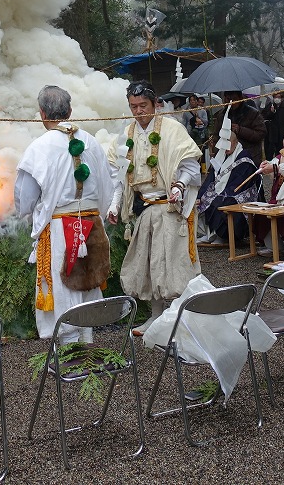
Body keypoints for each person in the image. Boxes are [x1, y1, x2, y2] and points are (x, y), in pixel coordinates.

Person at [15, 86, 115, 343]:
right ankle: (87, 343)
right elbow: (107, 186)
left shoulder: (39, 147)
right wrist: (95, 215)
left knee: (63, 288)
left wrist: (30, 214)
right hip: (92, 223)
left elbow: (25, 197)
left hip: (60, 227)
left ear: (41, 114)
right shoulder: (91, 141)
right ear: (70, 111)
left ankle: (68, 350)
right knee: (86, 282)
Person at [107, 80, 203, 334]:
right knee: (150, 265)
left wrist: (178, 186)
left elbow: (191, 168)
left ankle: (184, 317)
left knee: (176, 264)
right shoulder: (125, 135)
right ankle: (156, 317)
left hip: (171, 208)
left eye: (143, 105)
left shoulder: (172, 129)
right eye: (133, 106)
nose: (138, 111)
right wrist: (115, 205)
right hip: (145, 209)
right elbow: (118, 177)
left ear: (155, 103)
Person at [195, 131, 260, 245]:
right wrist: (200, 195)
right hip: (224, 190)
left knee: (220, 201)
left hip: (240, 193)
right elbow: (211, 177)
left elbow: (241, 181)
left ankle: (223, 236)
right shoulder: (221, 156)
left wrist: (224, 193)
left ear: (236, 142)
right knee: (203, 199)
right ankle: (210, 233)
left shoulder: (244, 156)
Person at [207, 90, 266, 163]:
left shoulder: (253, 113)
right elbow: (216, 136)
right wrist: (216, 151)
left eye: (234, 99)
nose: (231, 102)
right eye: (228, 99)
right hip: (226, 157)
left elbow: (261, 134)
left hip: (248, 156)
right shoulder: (222, 115)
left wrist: (240, 130)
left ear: (240, 98)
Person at [262, 92, 284, 161]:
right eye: (275, 97)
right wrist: (271, 112)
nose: (277, 99)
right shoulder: (270, 105)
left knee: (280, 149)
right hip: (272, 132)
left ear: (282, 98)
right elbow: (265, 116)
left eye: (279, 97)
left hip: (282, 131)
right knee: (270, 149)